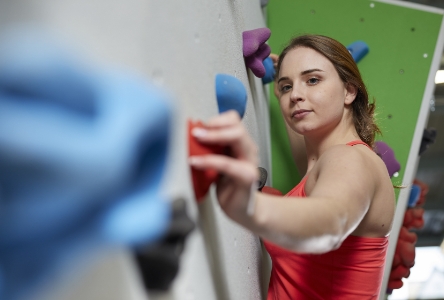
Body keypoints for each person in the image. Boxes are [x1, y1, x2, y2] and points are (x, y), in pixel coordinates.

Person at [189, 35, 395, 299]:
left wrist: (248, 205)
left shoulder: (351, 160)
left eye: (313, 80)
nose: (296, 95)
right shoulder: (319, 158)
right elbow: (303, 136)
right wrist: (280, 81)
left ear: (349, 91)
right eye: (287, 87)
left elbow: (330, 222)